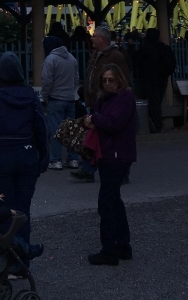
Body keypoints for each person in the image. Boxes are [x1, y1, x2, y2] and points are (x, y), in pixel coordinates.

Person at [0, 52, 48, 248]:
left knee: (4, 209)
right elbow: (41, 127)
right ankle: (22, 257)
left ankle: (9, 257)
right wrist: (44, 155)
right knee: (23, 210)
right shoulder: (31, 96)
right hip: (27, 156)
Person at [83, 63, 137, 266]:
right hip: (107, 153)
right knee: (114, 201)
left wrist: (95, 118)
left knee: (106, 202)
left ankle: (109, 249)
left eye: (111, 79)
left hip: (117, 154)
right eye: (104, 80)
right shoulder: (104, 99)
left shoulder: (125, 98)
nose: (107, 83)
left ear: (119, 80)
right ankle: (123, 246)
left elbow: (113, 123)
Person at [40, 35, 80, 170]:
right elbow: (76, 78)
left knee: (55, 130)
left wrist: (45, 97)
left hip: (55, 98)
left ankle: (56, 160)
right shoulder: (71, 58)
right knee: (71, 130)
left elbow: (46, 81)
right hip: (70, 98)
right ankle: (73, 158)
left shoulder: (50, 59)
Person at [140, 36, 175, 135]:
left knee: (153, 101)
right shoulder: (164, 48)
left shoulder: (146, 48)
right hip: (163, 77)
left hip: (150, 78)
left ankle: (156, 124)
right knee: (158, 100)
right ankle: (157, 124)